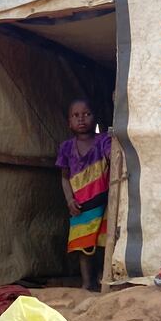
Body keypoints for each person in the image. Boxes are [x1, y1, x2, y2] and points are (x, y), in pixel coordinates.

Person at [55, 98, 111, 291]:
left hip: (104, 205)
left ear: (95, 119)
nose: (81, 119)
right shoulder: (66, 148)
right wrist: (69, 199)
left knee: (104, 244)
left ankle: (103, 279)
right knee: (83, 247)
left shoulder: (104, 141)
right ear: (69, 122)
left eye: (87, 114)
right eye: (76, 115)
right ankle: (87, 284)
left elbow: (114, 157)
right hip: (81, 207)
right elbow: (64, 177)